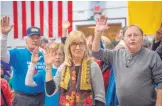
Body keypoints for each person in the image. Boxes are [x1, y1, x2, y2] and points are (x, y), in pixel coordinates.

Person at [92, 15, 162, 106]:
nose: (132, 38)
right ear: (124, 39)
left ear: (141, 38)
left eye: (136, 35)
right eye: (129, 35)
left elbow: (161, 83)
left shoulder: (152, 56)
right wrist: (98, 32)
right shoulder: (116, 54)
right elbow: (96, 52)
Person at [45, 30, 105, 106]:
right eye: (74, 44)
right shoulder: (63, 67)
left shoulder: (93, 66)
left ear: (85, 46)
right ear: (69, 47)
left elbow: (100, 97)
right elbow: (50, 92)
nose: (78, 47)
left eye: (81, 44)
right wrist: (48, 67)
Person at [0, 16, 45, 106]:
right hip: (22, 99)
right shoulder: (18, 53)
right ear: (26, 40)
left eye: (37, 37)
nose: (35, 40)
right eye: (32, 37)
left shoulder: (44, 55)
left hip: (41, 98)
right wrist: (4, 35)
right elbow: (2, 55)